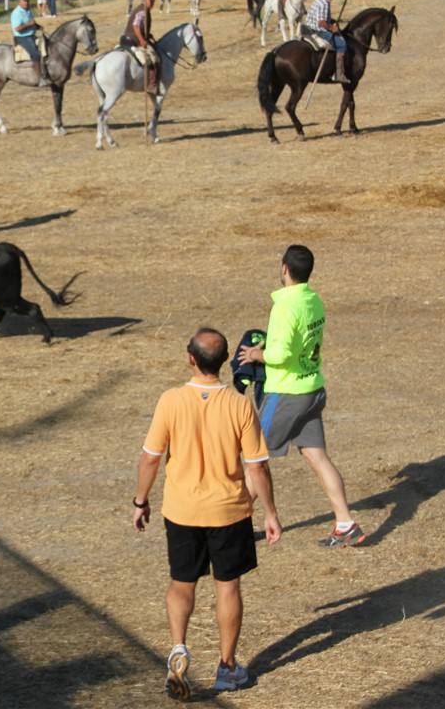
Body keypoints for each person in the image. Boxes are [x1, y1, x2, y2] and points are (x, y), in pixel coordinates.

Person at [133, 328, 281, 700]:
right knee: (227, 587)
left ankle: (179, 648)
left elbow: (151, 457)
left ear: (190, 358)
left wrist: (141, 500)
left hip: (182, 511)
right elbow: (257, 467)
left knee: (182, 584)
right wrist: (271, 513)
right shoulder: (239, 404)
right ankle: (227, 668)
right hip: (228, 512)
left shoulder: (170, 401)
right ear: (225, 360)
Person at [236, 245, 363, 549]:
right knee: (316, 455)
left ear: (284, 269)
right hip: (312, 390)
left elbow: (279, 354)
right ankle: (345, 523)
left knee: (254, 459)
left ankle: (232, 525)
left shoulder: (284, 306)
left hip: (287, 394)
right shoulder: (313, 300)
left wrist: (256, 353)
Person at [303, 0, 350, 84]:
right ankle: (339, 74)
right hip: (318, 30)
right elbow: (321, 22)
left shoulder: (321, 0)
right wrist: (331, 28)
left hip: (309, 27)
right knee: (342, 44)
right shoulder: (324, 3)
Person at [124, 0, 158, 95]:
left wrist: (148, 35)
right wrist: (142, 40)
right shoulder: (142, 11)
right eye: (150, 1)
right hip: (133, 40)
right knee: (153, 58)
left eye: (153, 1)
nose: (152, 3)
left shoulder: (144, 9)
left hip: (128, 38)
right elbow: (136, 26)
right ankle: (151, 85)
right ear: (145, 1)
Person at [10, 0, 45, 84]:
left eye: (27, 1)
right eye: (24, 1)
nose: (26, 3)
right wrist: (29, 24)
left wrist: (37, 26)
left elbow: (32, 22)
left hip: (31, 34)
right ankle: (39, 78)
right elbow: (17, 28)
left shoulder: (28, 10)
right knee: (36, 55)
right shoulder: (16, 13)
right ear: (19, 2)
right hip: (22, 37)